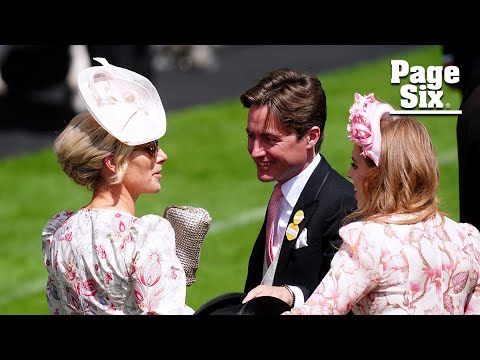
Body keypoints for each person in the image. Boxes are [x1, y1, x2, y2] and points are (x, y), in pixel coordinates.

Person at [283, 93, 480, 315]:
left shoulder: (368, 241)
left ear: (379, 176)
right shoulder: (467, 239)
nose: (349, 174)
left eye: (355, 165)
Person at [41, 57, 194, 315]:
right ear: (113, 163)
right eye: (150, 148)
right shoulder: (146, 236)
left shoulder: (58, 233)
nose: (162, 155)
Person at [240, 68, 357, 308]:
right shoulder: (282, 193)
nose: (255, 150)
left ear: (311, 136)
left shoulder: (342, 203)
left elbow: (347, 297)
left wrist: (292, 295)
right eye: (251, 136)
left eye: (270, 139)